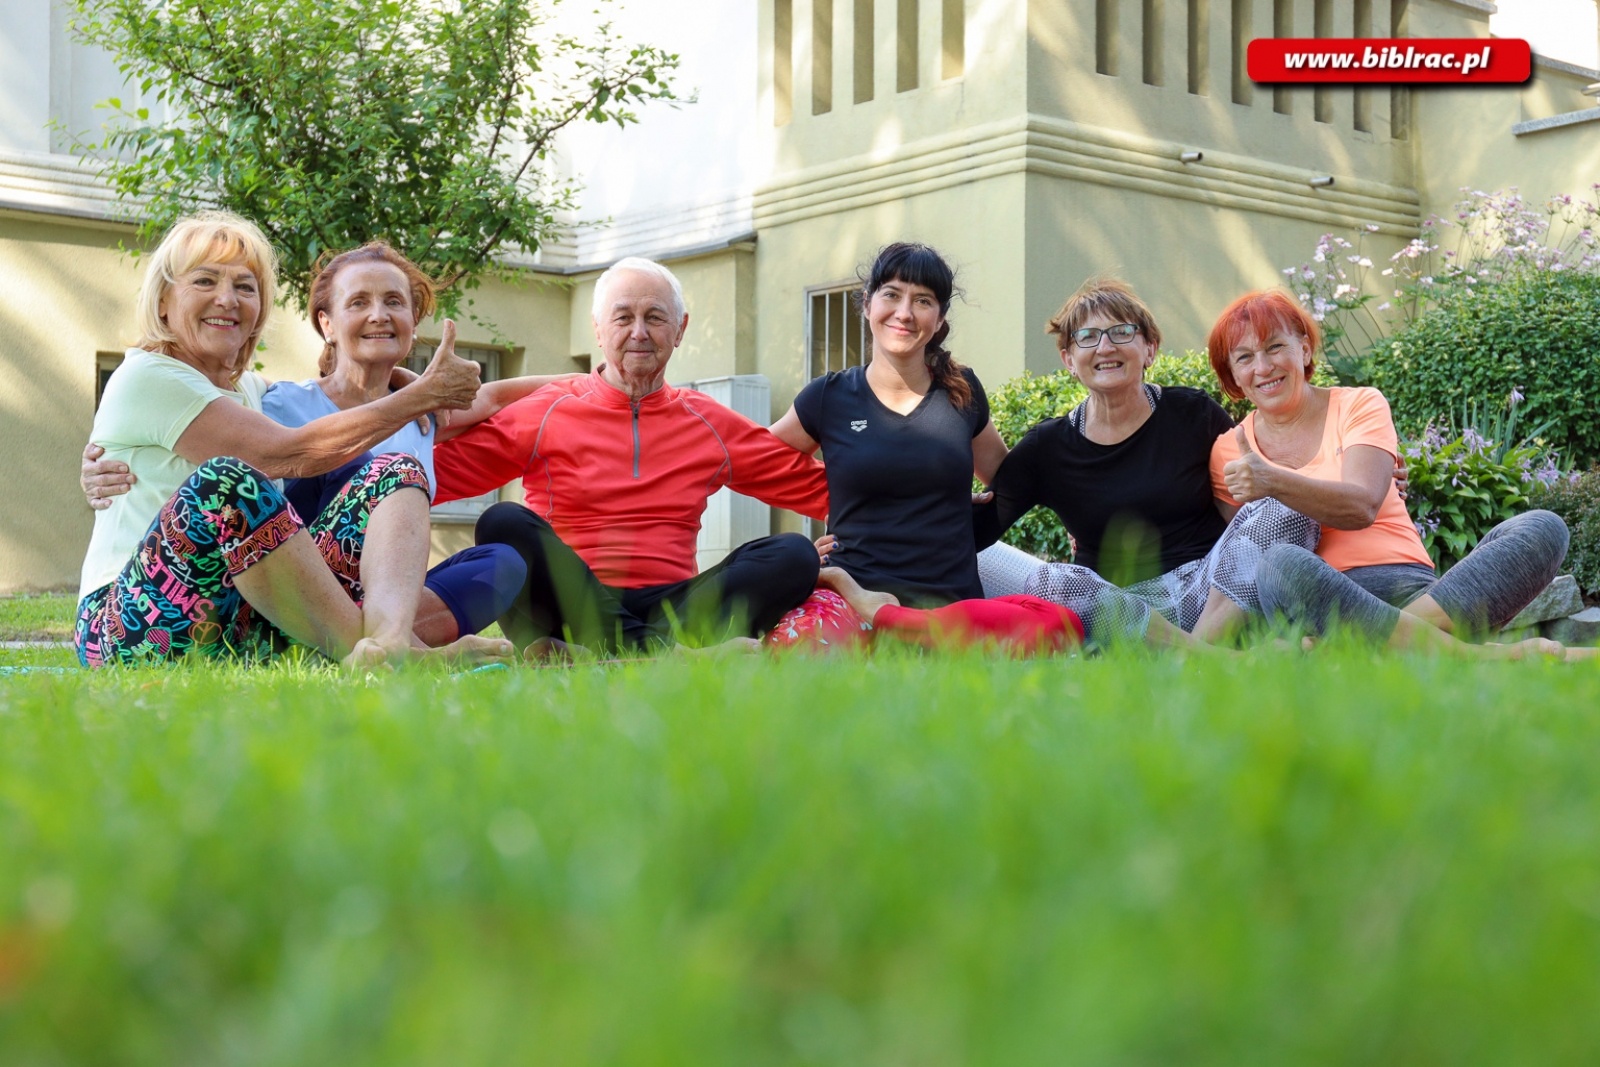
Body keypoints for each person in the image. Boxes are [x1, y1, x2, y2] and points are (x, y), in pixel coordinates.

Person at [84, 241, 577, 647]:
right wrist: (95, 467)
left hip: (251, 614)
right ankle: (404, 653)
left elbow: (489, 396)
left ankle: (383, 643)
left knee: (420, 487)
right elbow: (276, 452)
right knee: (227, 479)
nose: (227, 299)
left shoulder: (252, 393)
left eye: (244, 287)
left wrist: (592, 380)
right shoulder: (259, 397)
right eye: (205, 281)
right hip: (142, 615)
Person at [431, 256, 832, 655]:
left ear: (680, 329)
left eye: (655, 318)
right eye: (623, 318)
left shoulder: (707, 420)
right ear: (599, 330)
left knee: (794, 553)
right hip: (569, 603)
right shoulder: (548, 408)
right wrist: (401, 409)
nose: (639, 333)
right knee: (501, 522)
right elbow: (423, 480)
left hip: (676, 607)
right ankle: (660, 656)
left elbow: (828, 493)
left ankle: (618, 654)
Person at [1206, 288, 1573, 657]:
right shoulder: (1227, 452)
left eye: (1274, 347)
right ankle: (1458, 653)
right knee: (1277, 564)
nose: (1263, 367)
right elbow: (1237, 570)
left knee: (1543, 528)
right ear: (1234, 376)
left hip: (1417, 590)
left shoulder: (1358, 404)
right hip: (1315, 595)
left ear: (1303, 349)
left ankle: (1358, 651)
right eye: (1244, 357)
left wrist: (1272, 481)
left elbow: (1362, 506)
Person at [767, 242, 1084, 654]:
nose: (904, 312)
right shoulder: (829, 397)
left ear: (939, 320)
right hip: (852, 595)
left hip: (949, 604)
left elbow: (1008, 481)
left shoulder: (961, 391)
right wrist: (805, 549)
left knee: (1059, 634)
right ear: (867, 304)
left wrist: (1075, 522)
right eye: (892, 294)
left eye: (923, 301)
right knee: (798, 649)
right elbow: (756, 461)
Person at [981, 278, 1320, 648]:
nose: (1105, 346)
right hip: (1117, 610)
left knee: (1285, 504)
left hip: (1207, 594)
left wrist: (1374, 480)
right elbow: (972, 532)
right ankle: (1210, 659)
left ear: (1149, 349)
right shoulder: (1046, 447)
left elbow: (1254, 494)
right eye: (1088, 336)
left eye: (1122, 332)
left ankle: (1192, 657)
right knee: (1054, 581)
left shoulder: (1193, 414)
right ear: (1068, 360)